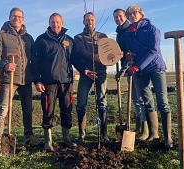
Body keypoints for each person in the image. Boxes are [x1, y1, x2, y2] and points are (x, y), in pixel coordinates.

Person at [0, 7, 37, 155]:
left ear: (23, 19)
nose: (17, 19)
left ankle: (28, 137)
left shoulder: (28, 38)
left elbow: (33, 60)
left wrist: (36, 78)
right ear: (9, 17)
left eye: (20, 17)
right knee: (3, 109)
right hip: (9, 79)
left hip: (26, 80)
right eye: (14, 16)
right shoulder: (0, 35)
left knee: (28, 110)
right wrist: (4, 65)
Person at [125, 5, 173, 148]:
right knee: (147, 101)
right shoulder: (129, 32)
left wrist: (137, 66)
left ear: (141, 14)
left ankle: (168, 138)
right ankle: (153, 134)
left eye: (135, 13)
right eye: (129, 14)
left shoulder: (152, 29)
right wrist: (129, 55)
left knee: (162, 101)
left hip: (155, 68)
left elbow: (153, 51)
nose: (132, 15)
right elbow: (132, 50)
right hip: (140, 71)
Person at [32, 13, 76, 151]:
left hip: (66, 82)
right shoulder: (41, 40)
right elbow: (35, 63)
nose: (55, 24)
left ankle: (66, 138)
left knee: (67, 110)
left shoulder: (69, 40)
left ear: (62, 23)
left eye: (57, 22)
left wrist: (87, 69)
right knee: (48, 110)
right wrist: (37, 81)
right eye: (52, 22)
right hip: (48, 83)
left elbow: (76, 59)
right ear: (49, 23)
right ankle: (48, 141)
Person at [72, 12, 108, 143]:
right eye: (87, 20)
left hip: (101, 73)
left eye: (92, 20)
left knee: (102, 103)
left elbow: (108, 51)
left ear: (95, 21)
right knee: (81, 103)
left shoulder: (103, 36)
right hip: (86, 74)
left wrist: (114, 56)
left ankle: (104, 134)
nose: (90, 22)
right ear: (83, 22)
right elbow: (79, 54)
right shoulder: (78, 38)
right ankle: (82, 133)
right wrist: (93, 58)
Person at [113, 8, 148, 141]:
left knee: (140, 99)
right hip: (127, 68)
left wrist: (125, 67)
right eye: (115, 17)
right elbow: (121, 52)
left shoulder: (130, 29)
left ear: (125, 16)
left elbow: (131, 50)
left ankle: (145, 129)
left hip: (135, 66)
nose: (118, 19)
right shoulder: (119, 32)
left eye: (120, 16)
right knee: (135, 98)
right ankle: (139, 128)